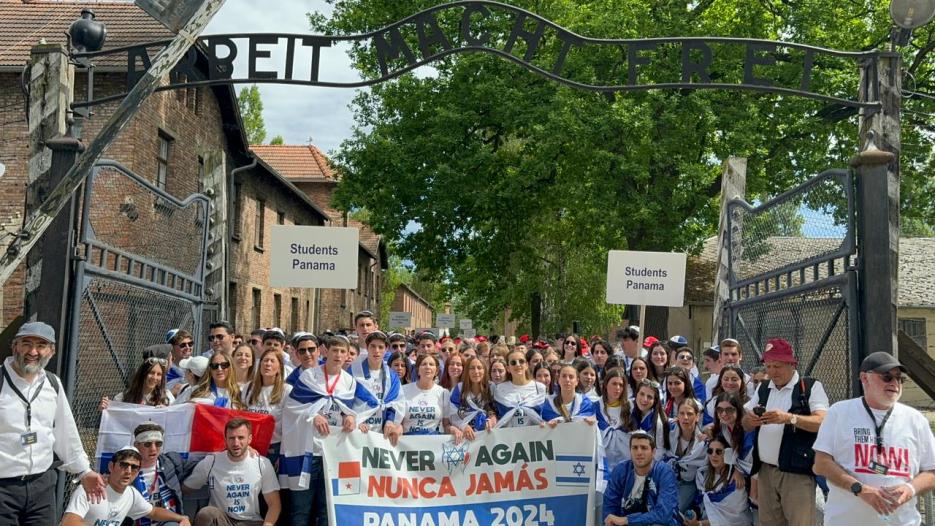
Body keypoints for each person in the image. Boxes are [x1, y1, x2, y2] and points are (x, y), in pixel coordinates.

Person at [0, 321, 105, 525]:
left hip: (42, 487)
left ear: (51, 351)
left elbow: (66, 432)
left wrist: (84, 471)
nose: (33, 351)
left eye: (41, 345)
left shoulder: (52, 383)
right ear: (14, 347)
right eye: (26, 343)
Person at [813, 351, 935, 526]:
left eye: (900, 379)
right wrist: (859, 489)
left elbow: (932, 471)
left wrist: (910, 488)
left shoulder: (915, 419)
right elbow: (821, 463)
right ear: (864, 378)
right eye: (887, 377)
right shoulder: (839, 412)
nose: (895, 383)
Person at [741, 338, 828, 526]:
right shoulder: (764, 388)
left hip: (796, 474)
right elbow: (745, 422)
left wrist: (789, 418)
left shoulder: (810, 387)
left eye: (777, 366)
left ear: (791, 363)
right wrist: (750, 421)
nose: (772, 371)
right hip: (765, 471)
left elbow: (822, 421)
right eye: (769, 366)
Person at [281, 334, 357, 526]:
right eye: (334, 351)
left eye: (342, 352)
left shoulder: (348, 381)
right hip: (308, 450)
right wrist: (313, 415)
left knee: (327, 510)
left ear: (348, 355)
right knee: (300, 510)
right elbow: (291, 407)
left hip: (333, 454)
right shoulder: (309, 376)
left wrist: (350, 416)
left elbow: (350, 409)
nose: (338, 355)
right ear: (325, 352)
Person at [183, 419, 281, 526]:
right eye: (231, 438)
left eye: (241, 438)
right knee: (206, 514)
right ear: (225, 439)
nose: (236, 443)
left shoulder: (262, 463)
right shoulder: (211, 461)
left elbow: (274, 504)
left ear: (250, 439)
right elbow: (185, 489)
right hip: (222, 520)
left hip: (251, 521)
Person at [63, 446, 191, 526]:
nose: (129, 471)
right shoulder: (90, 488)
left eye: (134, 467)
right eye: (124, 465)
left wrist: (181, 518)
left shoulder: (131, 493)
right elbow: (69, 523)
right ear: (111, 467)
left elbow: (153, 512)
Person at [130, 422, 204, 526]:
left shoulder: (171, 462)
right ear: (136, 445)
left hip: (168, 521)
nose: (153, 449)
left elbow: (200, 465)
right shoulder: (127, 468)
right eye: (147, 444)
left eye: (158, 443)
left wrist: (221, 455)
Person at [602, 430, 680, 525]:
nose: (639, 452)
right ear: (630, 451)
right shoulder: (621, 470)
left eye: (644, 448)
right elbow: (610, 506)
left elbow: (663, 514)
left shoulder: (664, 472)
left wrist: (627, 520)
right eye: (635, 448)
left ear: (653, 452)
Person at [686, 436, 753, 526]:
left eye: (719, 452)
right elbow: (701, 502)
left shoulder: (735, 482)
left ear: (728, 454)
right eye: (710, 451)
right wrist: (694, 514)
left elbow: (729, 520)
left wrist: (699, 524)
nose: (714, 455)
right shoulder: (702, 475)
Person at [351, 331, 404, 444]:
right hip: (358, 432)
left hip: (381, 435)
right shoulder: (353, 371)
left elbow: (396, 403)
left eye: (380, 347)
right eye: (373, 346)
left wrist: (390, 421)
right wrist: (356, 421)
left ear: (386, 349)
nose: (376, 351)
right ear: (367, 347)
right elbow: (345, 402)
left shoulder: (392, 376)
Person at [242, 348, 293, 462]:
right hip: (249, 447)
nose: (267, 364)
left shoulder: (286, 390)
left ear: (279, 368)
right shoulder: (249, 387)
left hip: (273, 448)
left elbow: (289, 425)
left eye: (272, 361)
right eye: (265, 360)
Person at [665, 398, 707, 514]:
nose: (685, 418)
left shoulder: (703, 443)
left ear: (697, 417)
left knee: (673, 511)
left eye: (690, 414)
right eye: (682, 413)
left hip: (688, 484)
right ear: (677, 415)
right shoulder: (669, 433)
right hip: (668, 480)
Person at [493, 349, 548, 427]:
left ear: (526, 365)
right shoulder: (499, 389)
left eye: (521, 361)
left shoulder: (540, 388)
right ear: (508, 368)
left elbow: (547, 414)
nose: (518, 365)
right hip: (508, 437)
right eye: (513, 362)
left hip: (535, 436)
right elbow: (494, 412)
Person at [448, 356, 498, 442]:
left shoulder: (491, 387)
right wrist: (463, 426)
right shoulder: (459, 388)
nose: (476, 371)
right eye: (472, 368)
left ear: (484, 370)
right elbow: (452, 414)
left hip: (487, 436)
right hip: (466, 437)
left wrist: (493, 420)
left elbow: (495, 410)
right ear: (467, 371)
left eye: (479, 368)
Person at [401, 354, 450, 435]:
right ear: (418, 370)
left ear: (436, 371)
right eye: (424, 364)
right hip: (407, 442)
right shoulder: (403, 390)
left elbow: (446, 425)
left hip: (432, 442)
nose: (428, 367)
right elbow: (399, 423)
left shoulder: (444, 393)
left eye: (431, 364)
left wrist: (454, 430)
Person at [100, 356, 174, 410]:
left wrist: (167, 412)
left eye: (159, 374)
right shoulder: (123, 398)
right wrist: (106, 409)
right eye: (151, 373)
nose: (154, 377)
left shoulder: (167, 397)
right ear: (143, 374)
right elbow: (114, 420)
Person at [175, 350, 243, 409]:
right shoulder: (195, 391)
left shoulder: (239, 392)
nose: (219, 369)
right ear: (210, 369)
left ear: (230, 367)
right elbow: (175, 409)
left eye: (224, 365)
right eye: (214, 366)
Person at [596, 369, 635, 470]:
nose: (617, 388)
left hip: (627, 463)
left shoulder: (631, 407)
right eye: (614, 384)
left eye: (621, 385)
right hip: (603, 464)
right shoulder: (595, 406)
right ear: (605, 385)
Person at [631, 379, 670, 459]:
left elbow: (660, 450)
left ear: (655, 401)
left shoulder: (657, 422)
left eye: (649, 397)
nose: (644, 399)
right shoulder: (630, 410)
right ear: (636, 394)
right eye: (642, 394)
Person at [167, 329, 195, 395]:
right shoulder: (164, 366)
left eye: (190, 344)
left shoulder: (196, 363)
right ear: (171, 347)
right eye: (183, 345)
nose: (188, 347)